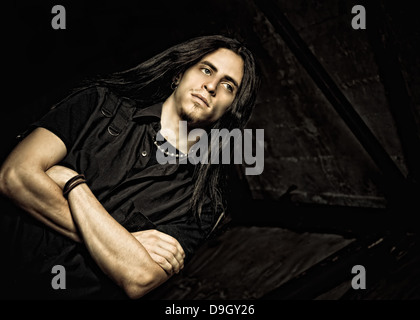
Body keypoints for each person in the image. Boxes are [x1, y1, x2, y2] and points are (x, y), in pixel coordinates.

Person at [0, 35, 259, 299]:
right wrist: (123, 243)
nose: (211, 86)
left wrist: (73, 184)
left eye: (228, 86)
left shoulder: (204, 203)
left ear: (231, 108)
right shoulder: (98, 104)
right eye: (206, 69)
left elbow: (139, 277)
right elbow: (14, 176)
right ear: (179, 74)